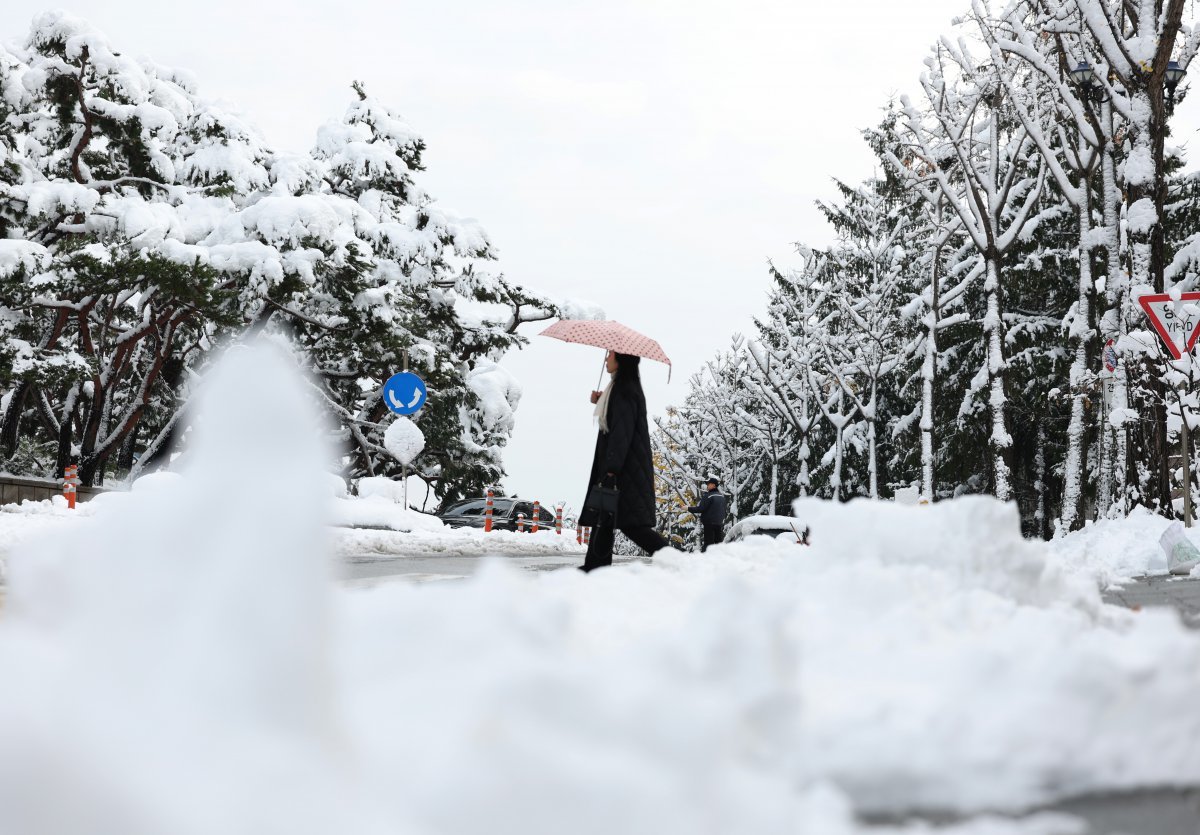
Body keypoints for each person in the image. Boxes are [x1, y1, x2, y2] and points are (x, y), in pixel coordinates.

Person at [578, 351, 669, 572]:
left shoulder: (624, 390)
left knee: (633, 526)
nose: (605, 359)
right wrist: (600, 400)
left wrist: (611, 470)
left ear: (621, 361)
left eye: (610, 355)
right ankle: (594, 567)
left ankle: (681, 561)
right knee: (605, 517)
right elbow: (618, 419)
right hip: (622, 468)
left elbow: (622, 433)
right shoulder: (620, 389)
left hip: (624, 472)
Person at [688, 478, 726, 552]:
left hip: (709, 524)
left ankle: (705, 560)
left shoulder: (708, 496)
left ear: (713, 485)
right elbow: (724, 510)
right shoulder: (721, 496)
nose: (707, 486)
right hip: (719, 523)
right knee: (718, 543)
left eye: (708, 484)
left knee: (708, 544)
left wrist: (688, 508)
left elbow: (700, 509)